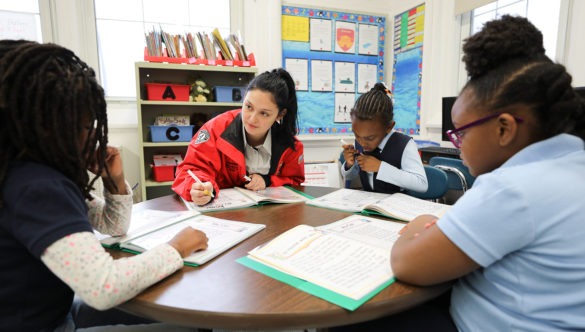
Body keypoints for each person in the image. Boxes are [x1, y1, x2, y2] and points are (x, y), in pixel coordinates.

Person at [336, 15, 585, 331]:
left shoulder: (512, 188)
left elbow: (406, 263)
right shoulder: (571, 161)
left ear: (504, 128)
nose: (457, 144)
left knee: (351, 318)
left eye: (460, 134)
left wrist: (417, 226)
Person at [0, 40, 209, 331]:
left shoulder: (26, 170)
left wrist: (115, 183)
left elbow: (113, 226)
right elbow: (104, 286)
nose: (94, 135)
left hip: (53, 310)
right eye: (87, 127)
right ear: (49, 127)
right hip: (46, 324)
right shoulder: (38, 186)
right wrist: (177, 247)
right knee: (194, 327)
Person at [172, 68, 305, 206]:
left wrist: (267, 180)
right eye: (248, 107)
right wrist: (199, 186)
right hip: (221, 216)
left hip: (270, 216)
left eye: (264, 113)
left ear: (280, 114)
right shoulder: (215, 129)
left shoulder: (291, 146)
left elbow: (295, 181)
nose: (252, 119)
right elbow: (189, 170)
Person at [340, 83, 427, 194]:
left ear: (389, 127)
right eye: (356, 135)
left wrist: (380, 168)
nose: (361, 142)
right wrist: (349, 165)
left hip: (395, 206)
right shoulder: (361, 139)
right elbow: (350, 176)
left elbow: (422, 184)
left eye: (370, 138)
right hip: (368, 205)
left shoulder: (404, 144)